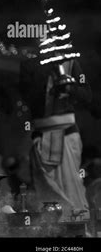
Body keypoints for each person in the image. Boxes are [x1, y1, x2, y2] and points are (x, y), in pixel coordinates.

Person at [19, 56, 91, 219]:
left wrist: (70, 89)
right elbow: (27, 96)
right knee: (47, 193)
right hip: (42, 137)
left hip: (67, 136)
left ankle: (77, 228)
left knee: (72, 188)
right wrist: (48, 72)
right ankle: (52, 231)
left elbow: (87, 95)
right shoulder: (29, 62)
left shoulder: (71, 62)